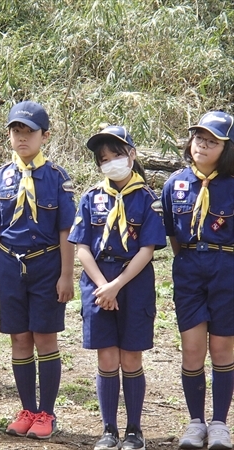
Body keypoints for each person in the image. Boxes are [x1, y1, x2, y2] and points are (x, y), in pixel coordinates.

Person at [0, 101, 75, 440]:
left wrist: (67, 274)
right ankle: (27, 409)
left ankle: (47, 413)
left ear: (44, 136)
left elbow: (67, 231)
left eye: (29, 132)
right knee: (19, 338)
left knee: (45, 337)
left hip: (47, 264)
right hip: (9, 266)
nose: (21, 138)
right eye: (15, 131)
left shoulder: (58, 178)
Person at [68, 126, 166, 450]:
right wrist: (102, 287)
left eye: (117, 155)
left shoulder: (147, 200)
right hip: (98, 282)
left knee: (131, 357)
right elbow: (81, 247)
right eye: (104, 159)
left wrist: (117, 285)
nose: (111, 163)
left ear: (132, 155)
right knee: (107, 357)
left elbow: (147, 249)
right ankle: (108, 430)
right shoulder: (91, 197)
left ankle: (134, 431)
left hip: (133, 282)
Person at [161, 111, 234, 450]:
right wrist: (189, 260)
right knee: (192, 349)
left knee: (221, 348)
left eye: (213, 141)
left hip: (226, 269)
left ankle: (219, 423)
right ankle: (195, 422)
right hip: (189, 267)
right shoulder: (174, 183)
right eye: (199, 138)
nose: (202, 145)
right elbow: (174, 238)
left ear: (227, 148)